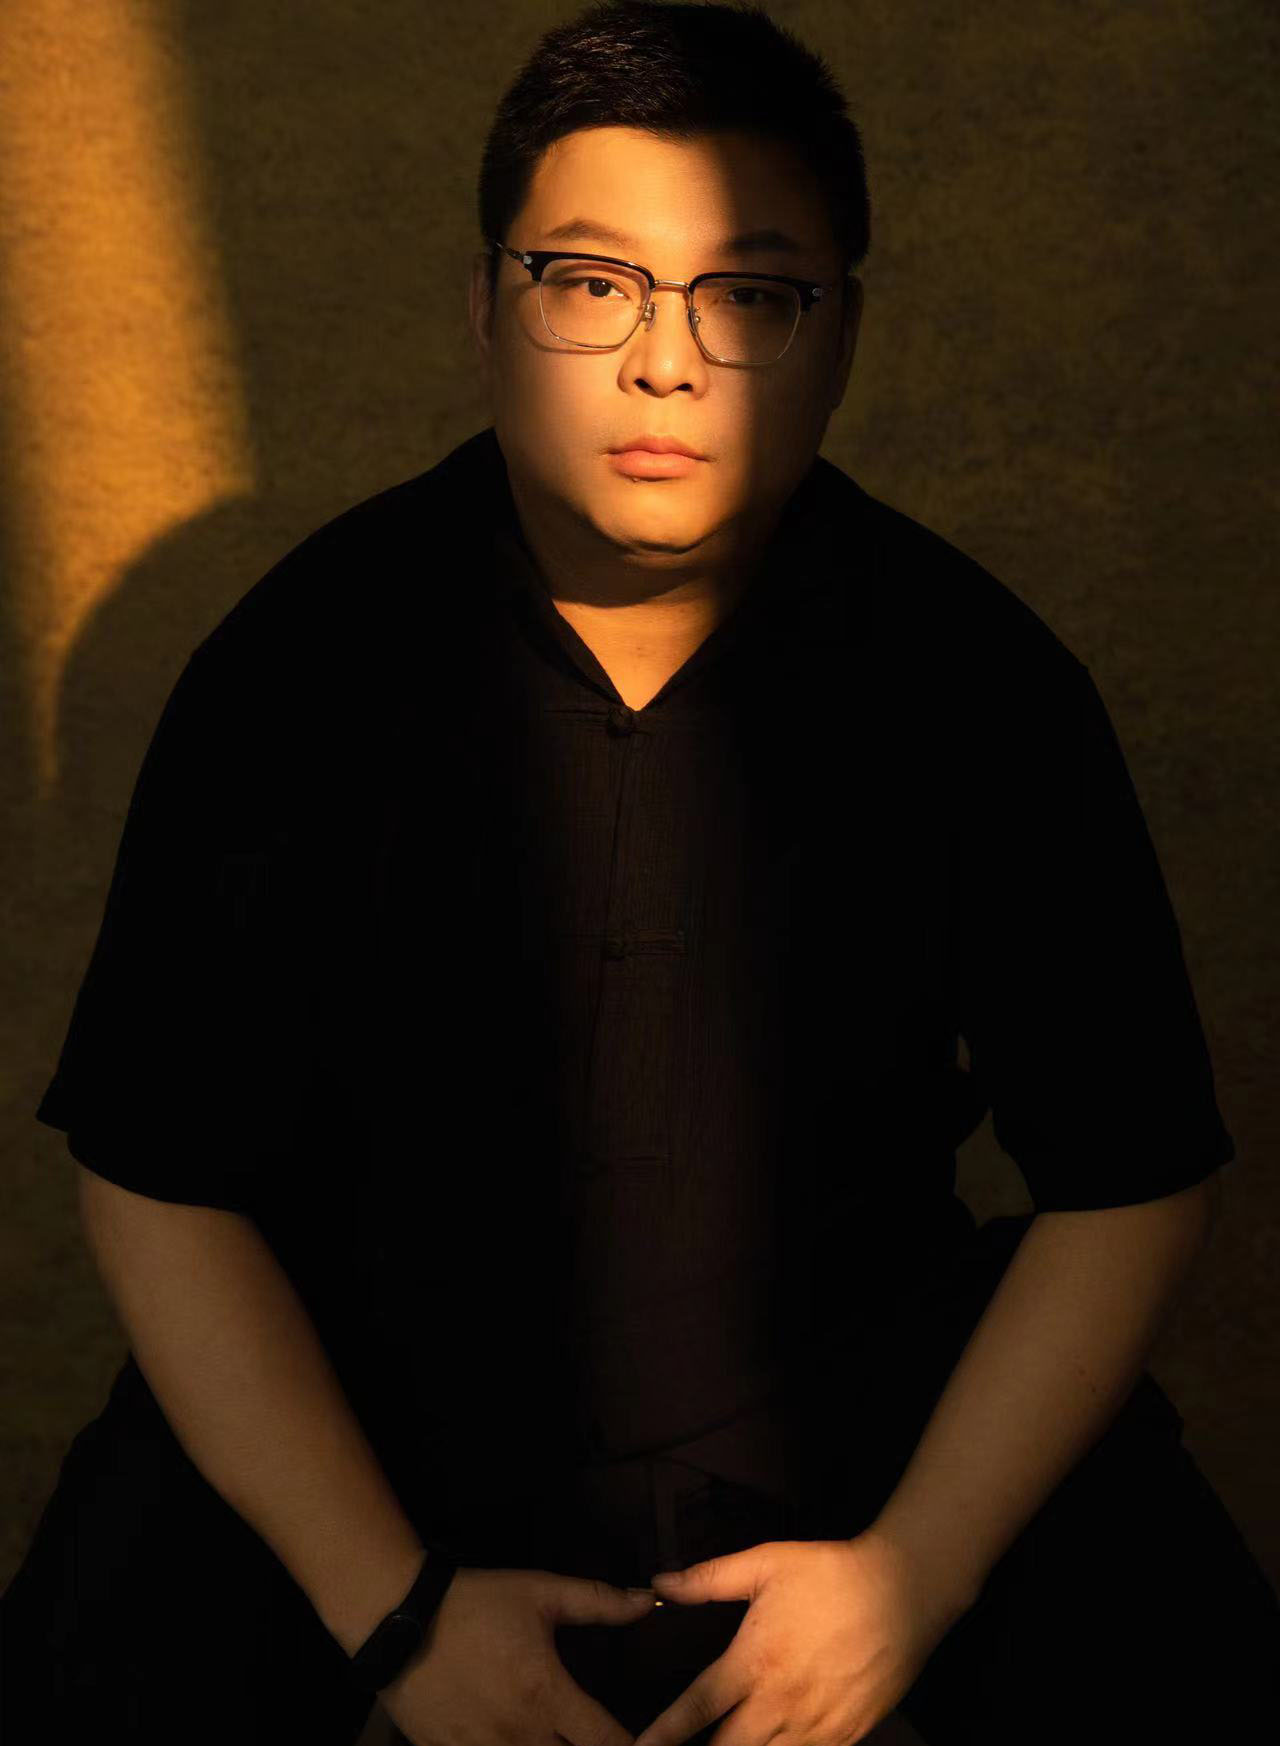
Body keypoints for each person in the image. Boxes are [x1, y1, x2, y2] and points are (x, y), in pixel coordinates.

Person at [4, 3, 1277, 1743]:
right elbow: (156, 1173)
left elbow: (1131, 1172)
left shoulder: (984, 683)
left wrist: (914, 1573)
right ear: (485, 305)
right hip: (369, 1412)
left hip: (857, 1420)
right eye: (591, 281)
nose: (666, 363)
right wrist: (394, 1613)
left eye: (750, 294)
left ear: (842, 334)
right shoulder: (294, 669)